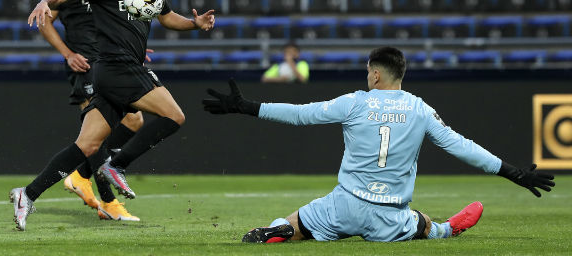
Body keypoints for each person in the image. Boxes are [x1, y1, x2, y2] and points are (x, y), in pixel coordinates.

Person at [202, 46, 555, 243]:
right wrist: (514, 173)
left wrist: (246, 107)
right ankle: (450, 228)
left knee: (297, 222)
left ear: (375, 74)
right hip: (390, 215)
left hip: (344, 205)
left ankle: (278, 230)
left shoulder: (356, 102)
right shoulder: (420, 109)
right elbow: (461, 146)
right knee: (428, 227)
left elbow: (300, 114)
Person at [11, 0, 215, 231]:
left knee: (87, 146)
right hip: (118, 68)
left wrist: (195, 23)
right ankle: (115, 166)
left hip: (115, 72)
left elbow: (167, 16)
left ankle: (28, 193)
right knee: (174, 116)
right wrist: (45, 3)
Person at [38, 0, 143, 221]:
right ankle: (109, 204)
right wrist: (67, 53)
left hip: (112, 59)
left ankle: (81, 176)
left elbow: (119, 17)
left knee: (131, 121)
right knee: (99, 134)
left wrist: (134, 43)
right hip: (84, 62)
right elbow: (45, 20)